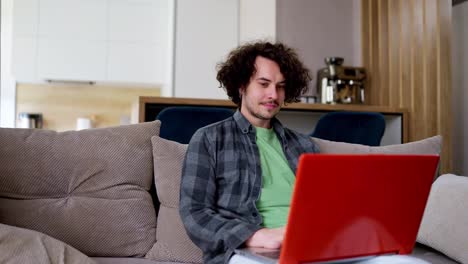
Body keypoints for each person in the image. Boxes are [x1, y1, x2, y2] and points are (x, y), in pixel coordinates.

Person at [179, 41, 320, 264]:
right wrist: (255, 236)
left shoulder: (305, 146)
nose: (273, 94)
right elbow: (195, 213)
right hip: (250, 251)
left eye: (281, 86)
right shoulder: (210, 139)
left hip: (310, 244)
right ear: (241, 85)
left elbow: (325, 208)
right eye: (263, 84)